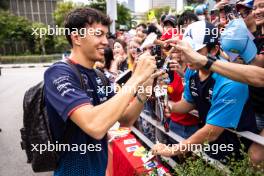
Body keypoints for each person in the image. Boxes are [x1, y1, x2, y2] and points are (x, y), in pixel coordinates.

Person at [44, 7, 160, 176]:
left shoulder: (99, 76)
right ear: (77, 37)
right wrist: (135, 79)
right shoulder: (58, 73)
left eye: (106, 35)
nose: (106, 42)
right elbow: (95, 125)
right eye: (99, 34)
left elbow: (125, 119)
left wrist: (144, 87)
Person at [152, 21, 258, 163]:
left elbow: (212, 132)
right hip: (208, 147)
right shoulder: (192, 70)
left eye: (195, 51)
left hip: (236, 152)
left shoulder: (231, 82)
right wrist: (170, 106)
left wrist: (173, 150)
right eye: (185, 50)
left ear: (214, 50)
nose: (186, 57)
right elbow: (189, 102)